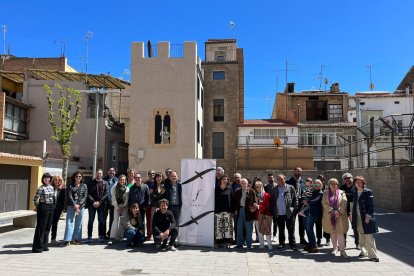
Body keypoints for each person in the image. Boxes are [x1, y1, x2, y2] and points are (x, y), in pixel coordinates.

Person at [351, 176, 379, 262]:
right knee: (361, 235)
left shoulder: (367, 192)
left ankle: (373, 255)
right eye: (356, 182)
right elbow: (353, 205)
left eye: (360, 182)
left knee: (369, 236)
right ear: (354, 184)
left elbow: (371, 206)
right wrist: (351, 215)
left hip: (366, 217)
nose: (358, 184)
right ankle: (363, 252)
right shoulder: (355, 192)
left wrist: (368, 216)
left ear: (363, 183)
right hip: (357, 217)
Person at [270, 174, 298, 251]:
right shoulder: (274, 189)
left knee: (291, 229)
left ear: (285, 179)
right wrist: (273, 210)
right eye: (278, 179)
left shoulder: (290, 188)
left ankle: (293, 244)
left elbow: (295, 200)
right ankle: (281, 244)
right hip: (279, 214)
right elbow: (272, 201)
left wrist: (293, 209)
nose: (280, 181)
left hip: (289, 213)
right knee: (281, 230)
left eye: (282, 179)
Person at [322, 178, 349, 258]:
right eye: (332, 184)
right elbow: (324, 203)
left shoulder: (342, 192)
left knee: (340, 233)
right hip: (330, 216)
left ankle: (342, 251)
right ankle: (334, 248)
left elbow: (344, 202)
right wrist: (331, 211)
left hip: (339, 216)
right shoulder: (325, 193)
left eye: (335, 184)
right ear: (329, 185)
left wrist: (339, 211)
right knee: (333, 233)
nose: (333, 185)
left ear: (337, 185)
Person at [63, 171, 88, 246]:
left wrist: (79, 205)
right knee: (69, 223)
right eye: (77, 176)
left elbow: (85, 196)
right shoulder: (70, 185)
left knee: (79, 223)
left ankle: (76, 239)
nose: (78, 178)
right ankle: (67, 240)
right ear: (74, 177)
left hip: (81, 207)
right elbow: (69, 196)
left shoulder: (84, 186)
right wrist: (74, 205)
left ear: (82, 177)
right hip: (71, 206)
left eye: (80, 176)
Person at [32, 173, 55, 253]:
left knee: (48, 227)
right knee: (41, 228)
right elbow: (35, 199)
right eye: (45, 178)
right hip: (43, 208)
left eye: (48, 178)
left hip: (51, 207)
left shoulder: (52, 187)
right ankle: (37, 247)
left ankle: (45, 245)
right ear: (43, 179)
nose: (47, 179)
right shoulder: (41, 188)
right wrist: (38, 207)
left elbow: (53, 198)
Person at [233, 178, 257, 249]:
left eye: (245, 183)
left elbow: (255, 201)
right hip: (240, 210)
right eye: (242, 183)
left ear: (247, 184)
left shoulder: (251, 191)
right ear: (240, 184)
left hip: (248, 211)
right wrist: (235, 209)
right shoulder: (237, 191)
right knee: (239, 228)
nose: (244, 184)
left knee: (249, 228)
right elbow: (234, 202)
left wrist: (254, 207)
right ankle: (239, 244)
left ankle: (249, 244)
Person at [86, 169, 109, 243]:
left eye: (100, 173)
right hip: (92, 205)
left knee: (101, 221)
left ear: (102, 174)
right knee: (91, 221)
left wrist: (100, 202)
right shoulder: (91, 182)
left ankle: (101, 236)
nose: (99, 174)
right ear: (96, 174)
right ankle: (89, 236)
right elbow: (88, 193)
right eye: (98, 173)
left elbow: (106, 194)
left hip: (101, 205)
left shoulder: (105, 183)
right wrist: (93, 202)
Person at [286, 167, 307, 245]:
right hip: (293, 205)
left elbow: (305, 193)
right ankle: (292, 240)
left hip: (302, 206)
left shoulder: (303, 182)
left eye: (300, 171)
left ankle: (302, 238)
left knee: (302, 223)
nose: (299, 173)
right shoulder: (288, 182)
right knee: (292, 223)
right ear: (294, 171)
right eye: (298, 171)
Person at [303, 179, 323, 253]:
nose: (316, 185)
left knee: (309, 228)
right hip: (308, 212)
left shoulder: (320, 193)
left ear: (320, 185)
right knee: (307, 228)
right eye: (315, 184)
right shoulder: (313, 192)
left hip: (314, 213)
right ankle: (311, 244)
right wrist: (305, 200)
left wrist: (307, 201)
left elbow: (315, 200)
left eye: (318, 184)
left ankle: (314, 246)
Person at [340, 172, 359, 249]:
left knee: (355, 226)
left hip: (353, 208)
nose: (348, 180)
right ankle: (343, 243)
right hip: (344, 208)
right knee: (343, 227)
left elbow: (356, 198)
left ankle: (357, 243)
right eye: (346, 179)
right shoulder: (342, 188)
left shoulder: (356, 187)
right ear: (344, 180)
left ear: (352, 178)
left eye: (349, 178)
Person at [109, 174, 129, 244]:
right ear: (118, 180)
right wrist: (118, 208)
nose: (122, 181)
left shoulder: (127, 189)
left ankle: (120, 236)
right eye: (121, 179)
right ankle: (112, 236)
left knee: (122, 222)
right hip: (116, 207)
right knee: (115, 221)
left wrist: (122, 207)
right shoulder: (114, 188)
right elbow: (113, 199)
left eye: (123, 180)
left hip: (124, 207)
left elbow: (127, 199)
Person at [214, 174, 233, 248]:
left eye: (226, 179)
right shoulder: (216, 189)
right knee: (219, 227)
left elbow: (233, 200)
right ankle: (219, 242)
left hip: (227, 211)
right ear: (220, 180)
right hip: (218, 211)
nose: (225, 180)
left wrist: (233, 210)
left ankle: (227, 242)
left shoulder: (230, 189)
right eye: (223, 179)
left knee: (227, 227)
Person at [253, 180, 272, 251]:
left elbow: (267, 204)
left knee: (267, 231)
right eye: (257, 187)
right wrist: (253, 205)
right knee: (259, 231)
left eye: (259, 186)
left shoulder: (267, 195)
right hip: (257, 216)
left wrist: (259, 206)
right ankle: (262, 245)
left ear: (262, 186)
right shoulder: (254, 195)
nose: (258, 188)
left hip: (265, 215)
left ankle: (269, 245)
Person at [103, 167, 118, 239]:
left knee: (112, 219)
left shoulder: (117, 180)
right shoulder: (104, 179)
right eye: (110, 171)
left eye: (113, 171)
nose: (111, 172)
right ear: (108, 172)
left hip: (113, 202)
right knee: (103, 219)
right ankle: (103, 234)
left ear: (115, 172)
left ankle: (110, 233)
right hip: (105, 202)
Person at [50, 175, 66, 244]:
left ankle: (53, 238)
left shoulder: (63, 190)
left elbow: (64, 200)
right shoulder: (50, 188)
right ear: (53, 180)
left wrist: (63, 209)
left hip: (58, 209)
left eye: (59, 180)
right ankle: (44, 239)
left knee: (54, 223)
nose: (57, 181)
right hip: (49, 208)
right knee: (48, 223)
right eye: (56, 179)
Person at [316, 174, 330, 246]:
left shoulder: (327, 188)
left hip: (325, 209)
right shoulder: (315, 188)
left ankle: (327, 239)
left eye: (322, 179)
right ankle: (318, 239)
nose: (320, 181)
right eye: (319, 179)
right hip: (318, 209)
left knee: (326, 224)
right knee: (318, 225)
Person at [264, 173, 277, 242]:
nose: (270, 179)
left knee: (275, 222)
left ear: (273, 178)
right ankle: (269, 234)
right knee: (268, 222)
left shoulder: (277, 186)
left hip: (275, 207)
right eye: (269, 178)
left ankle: (275, 235)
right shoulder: (265, 186)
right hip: (268, 206)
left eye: (271, 178)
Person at [145, 170, 156, 240]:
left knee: (155, 220)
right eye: (150, 173)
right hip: (148, 205)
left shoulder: (156, 183)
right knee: (148, 220)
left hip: (155, 205)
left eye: (153, 173)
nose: (152, 175)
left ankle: (155, 234)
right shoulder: (146, 184)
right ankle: (149, 234)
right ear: (148, 175)